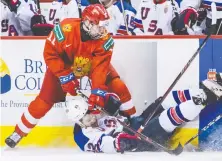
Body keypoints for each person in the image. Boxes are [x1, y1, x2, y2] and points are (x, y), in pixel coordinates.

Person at [5, 4, 136, 148]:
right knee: (44, 100)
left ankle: (135, 121)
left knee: (116, 84)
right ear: (87, 22)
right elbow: (49, 54)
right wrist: (64, 75)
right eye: (99, 26)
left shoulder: (105, 40)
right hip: (64, 66)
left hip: (90, 64)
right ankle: (19, 132)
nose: (103, 30)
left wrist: (97, 91)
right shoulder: (64, 29)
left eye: (104, 26)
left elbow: (100, 68)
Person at [69, 76, 222, 153]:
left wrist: (105, 100)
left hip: (136, 124)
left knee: (164, 101)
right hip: (138, 140)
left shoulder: (95, 114)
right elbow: (108, 144)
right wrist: (122, 141)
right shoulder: (84, 137)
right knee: (166, 117)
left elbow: (114, 102)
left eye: (89, 111)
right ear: (79, 122)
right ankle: (203, 100)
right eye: (86, 116)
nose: (91, 116)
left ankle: (205, 90)